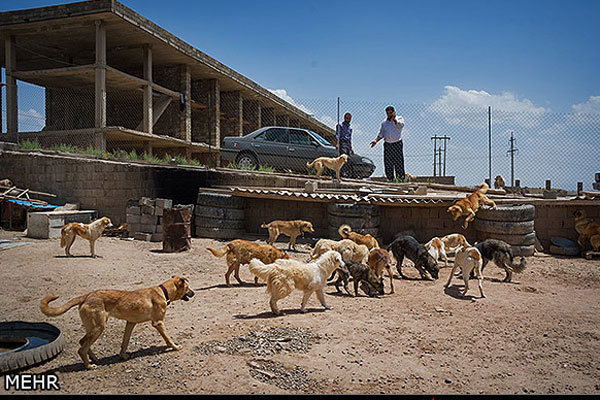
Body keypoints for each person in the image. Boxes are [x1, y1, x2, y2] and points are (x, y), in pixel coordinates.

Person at [370, 106, 405, 181]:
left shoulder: (399, 119)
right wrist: (375, 141)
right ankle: (390, 179)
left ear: (393, 112)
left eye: (390, 113)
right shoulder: (384, 123)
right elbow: (381, 133)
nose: (389, 114)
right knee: (388, 163)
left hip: (397, 144)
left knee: (399, 163)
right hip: (388, 145)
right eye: (387, 113)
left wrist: (394, 119)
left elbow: (400, 126)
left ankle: (400, 180)